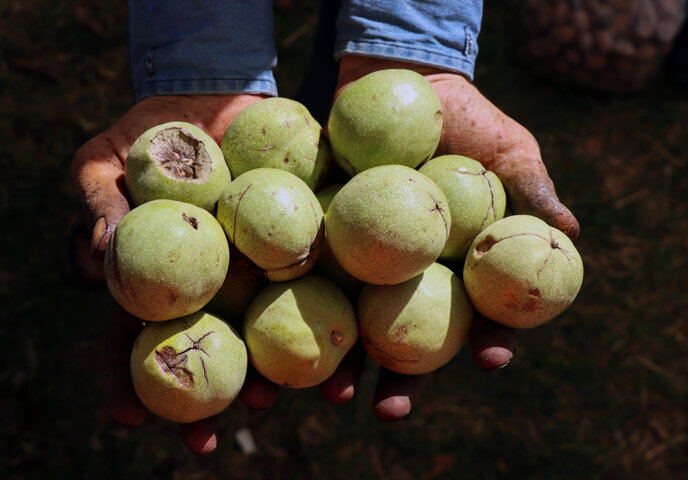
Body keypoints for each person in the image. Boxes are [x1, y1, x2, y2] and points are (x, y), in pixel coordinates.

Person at [72, 0, 580, 455]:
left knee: (324, 122)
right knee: (318, 126)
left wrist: (412, 43)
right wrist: (198, 69)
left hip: (300, 194)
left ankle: (114, 258)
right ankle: (120, 253)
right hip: (269, 204)